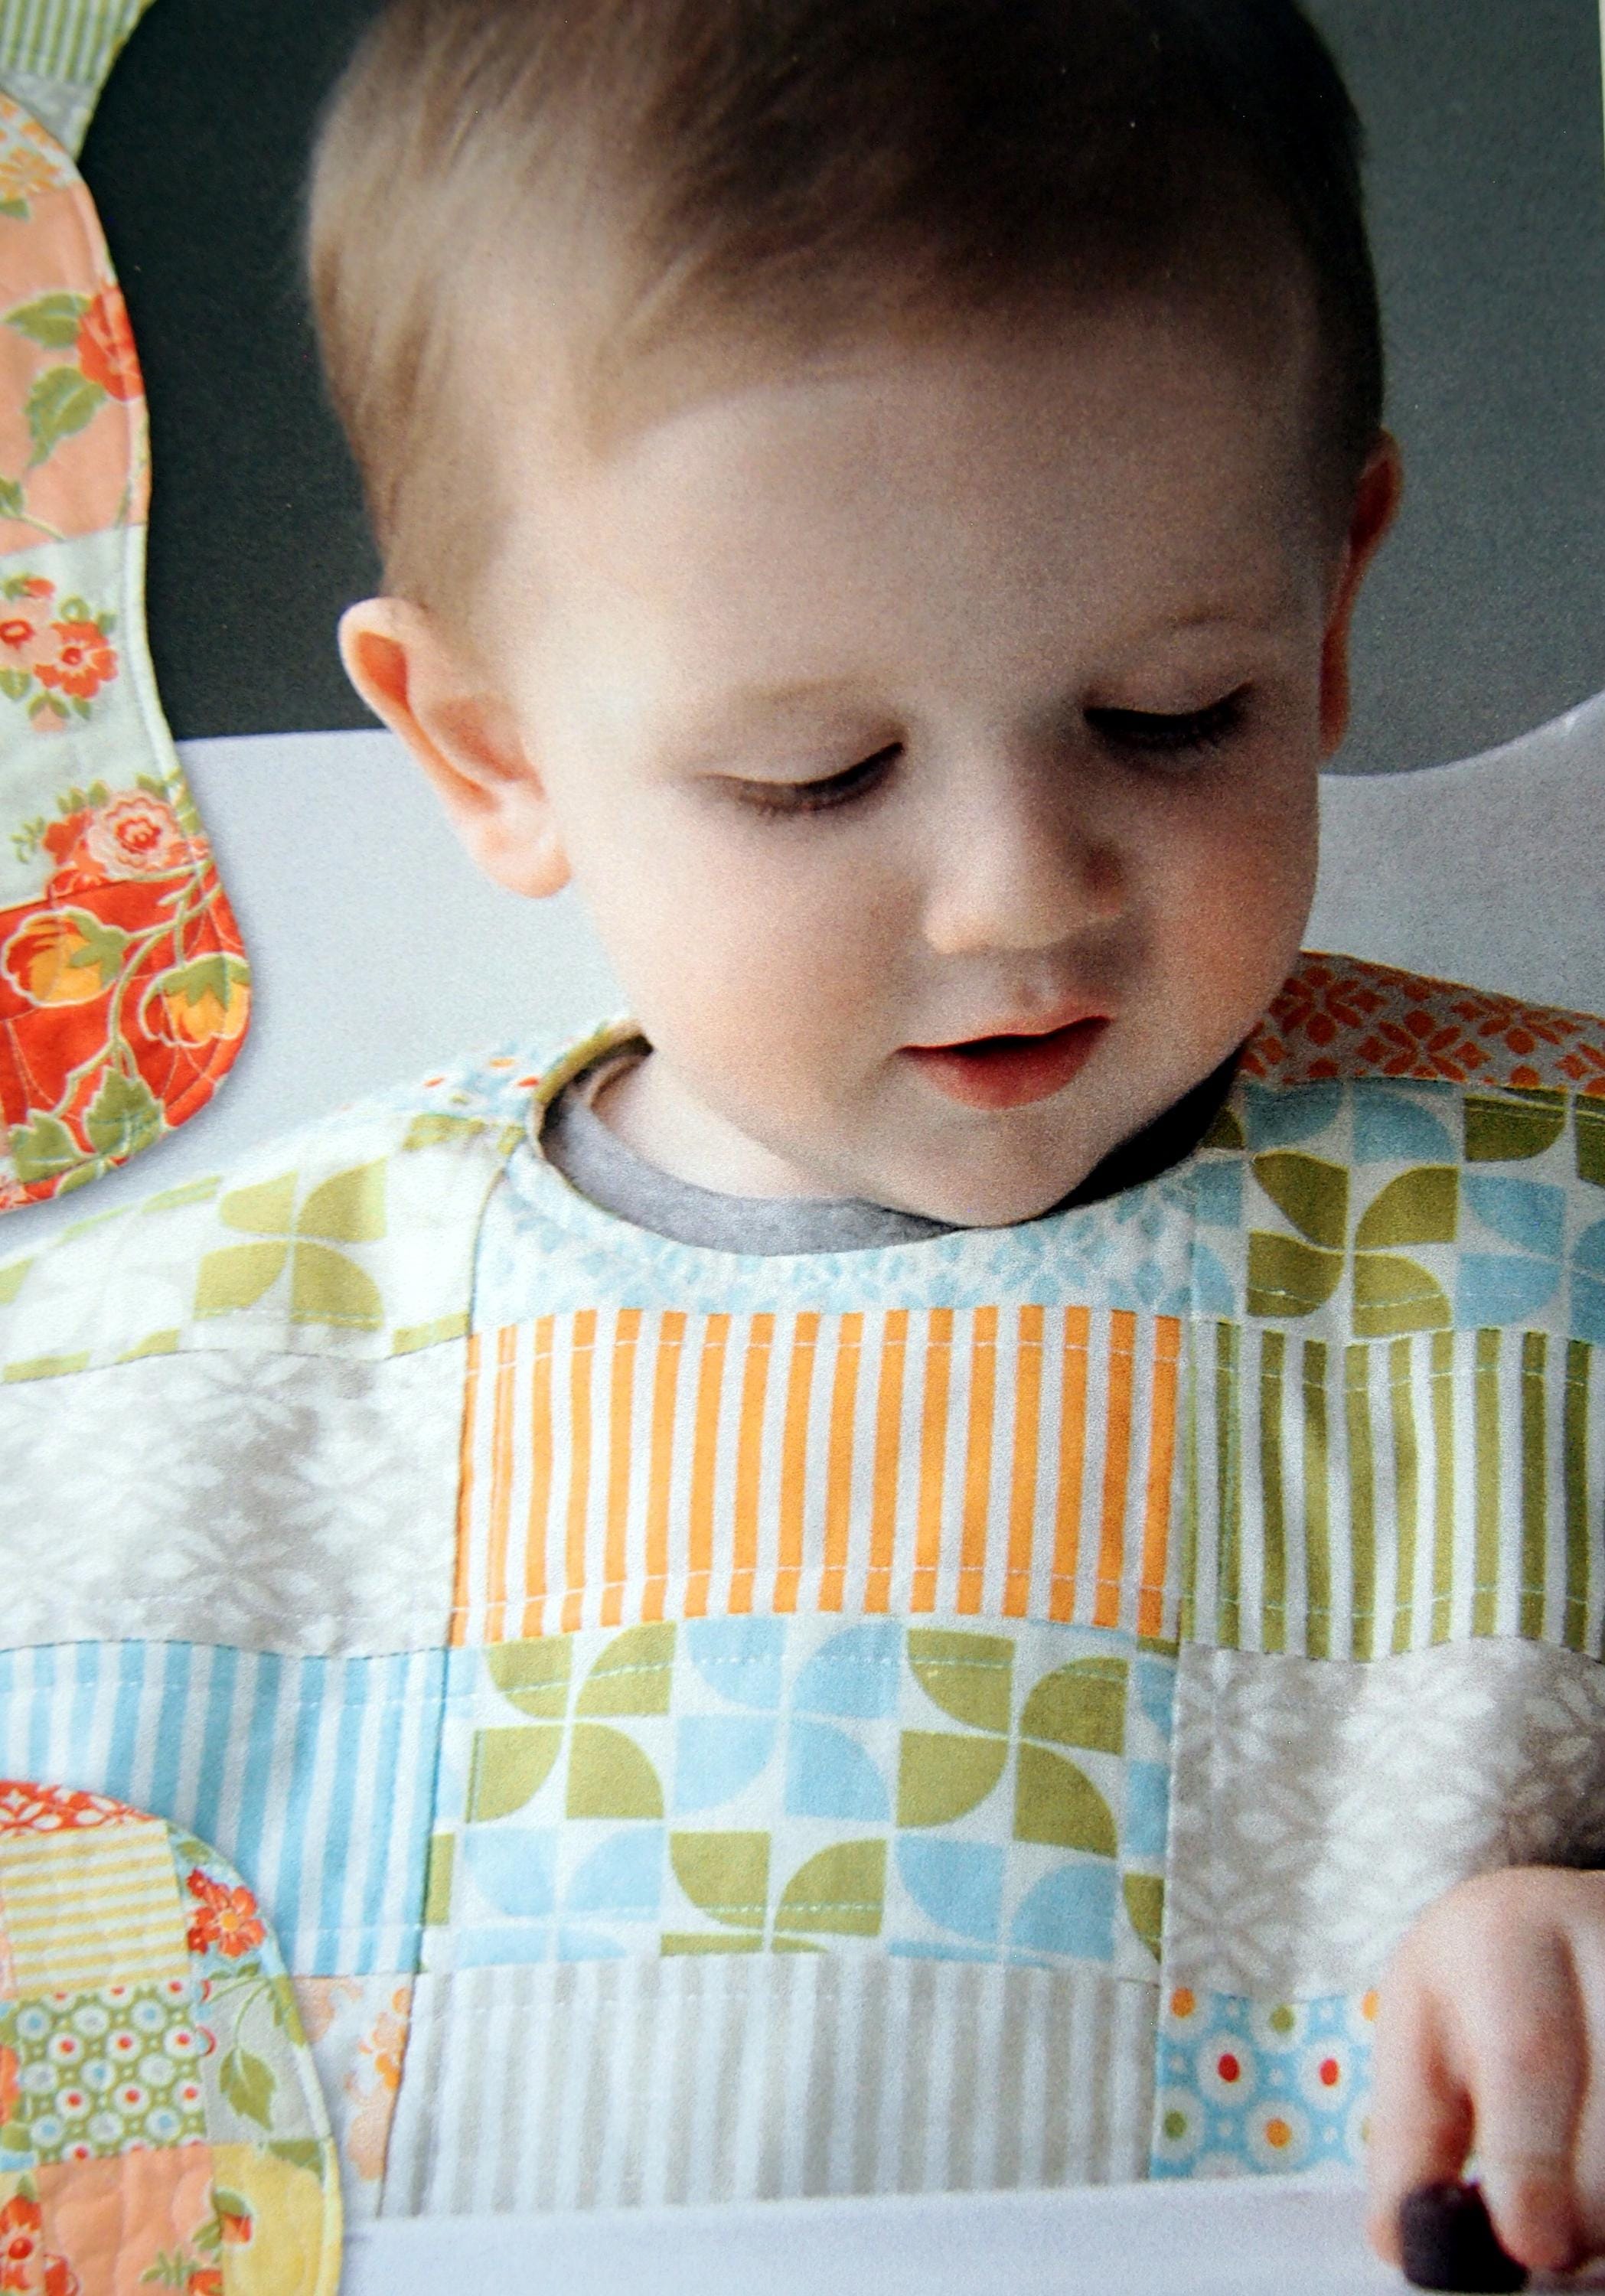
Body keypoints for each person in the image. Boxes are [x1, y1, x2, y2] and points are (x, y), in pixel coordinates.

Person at [2, 0, 1603, 2272]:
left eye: (1172, 715)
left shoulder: (1568, 1257)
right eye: (813, 777)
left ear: (1330, 604)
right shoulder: (112, 1422)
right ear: (489, 751)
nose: (1016, 893)